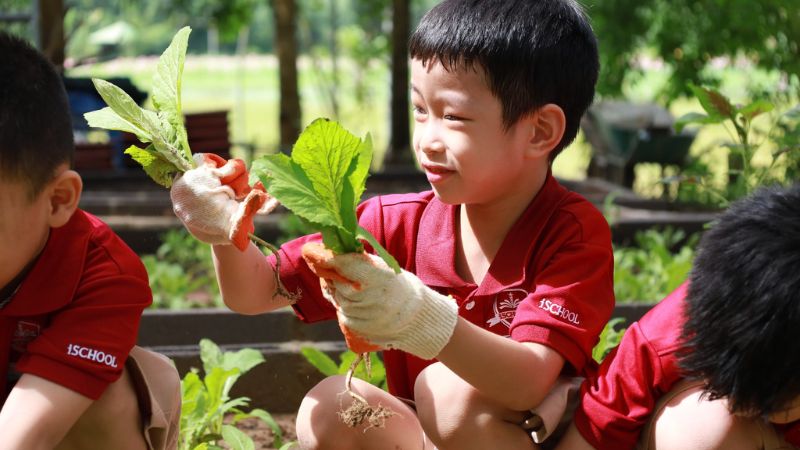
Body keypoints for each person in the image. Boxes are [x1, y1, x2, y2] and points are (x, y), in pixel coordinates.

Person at [169, 0, 613, 448]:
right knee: (332, 409)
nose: (427, 139)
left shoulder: (571, 234)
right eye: (421, 110)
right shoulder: (393, 223)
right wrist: (225, 229)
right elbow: (255, 292)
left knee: (451, 395)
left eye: (453, 116)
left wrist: (418, 314)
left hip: (529, 436)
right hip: (430, 434)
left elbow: (527, 383)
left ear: (539, 132)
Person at [0, 31, 180, 449]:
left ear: (58, 200)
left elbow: (23, 437)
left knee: (105, 401)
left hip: (46, 426)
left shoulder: (100, 275)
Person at [556, 184, 800, 450]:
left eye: (769, 401)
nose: (744, 409)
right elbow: (594, 432)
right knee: (702, 431)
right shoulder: (671, 331)